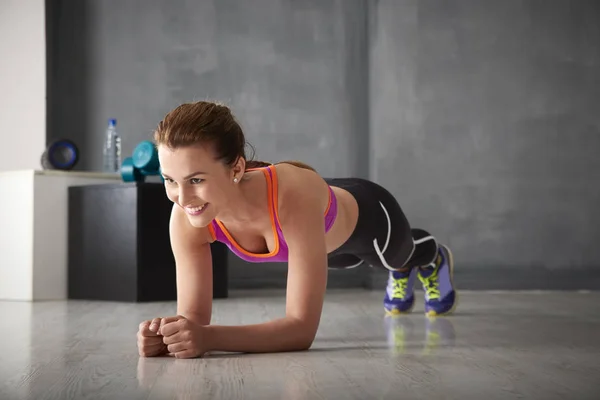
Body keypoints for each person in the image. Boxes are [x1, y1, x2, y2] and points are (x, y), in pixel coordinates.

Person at [136, 101, 457, 359]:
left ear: (236, 168)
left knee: (396, 257)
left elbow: (301, 330)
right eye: (169, 180)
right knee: (345, 260)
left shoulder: (293, 198)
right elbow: (193, 319)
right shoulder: (185, 217)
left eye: (196, 180)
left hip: (369, 220)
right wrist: (170, 336)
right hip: (325, 247)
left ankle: (432, 258)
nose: (182, 197)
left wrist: (209, 339)